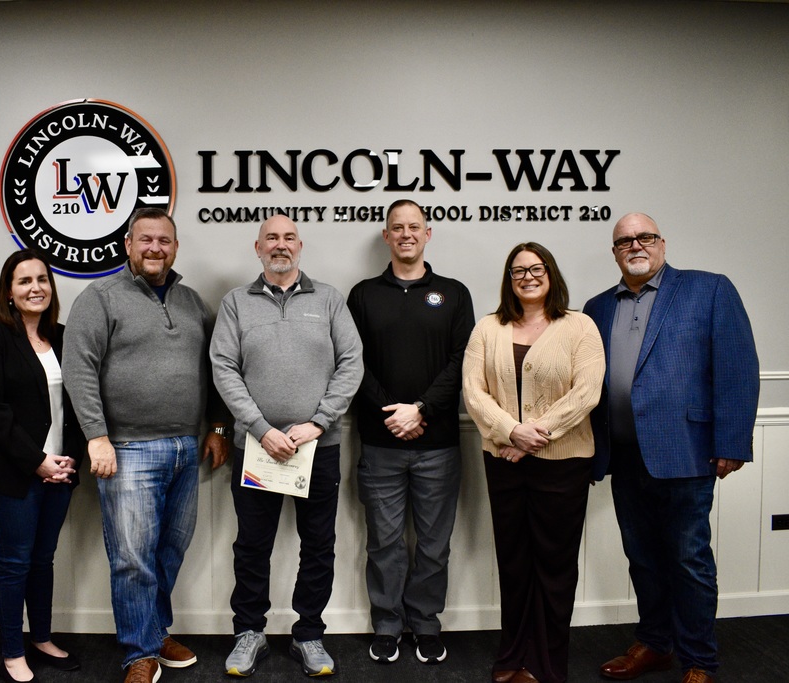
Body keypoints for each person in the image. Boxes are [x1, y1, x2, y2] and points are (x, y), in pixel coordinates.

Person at [583, 213, 759, 683]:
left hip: (687, 452)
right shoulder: (597, 306)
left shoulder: (708, 289)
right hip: (623, 456)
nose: (635, 245)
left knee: (689, 560)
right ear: (615, 251)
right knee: (641, 558)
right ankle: (655, 645)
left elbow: (738, 367)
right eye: (624, 240)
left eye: (644, 237)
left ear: (662, 242)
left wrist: (732, 441)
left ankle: (700, 660)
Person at [61, 208, 230, 683]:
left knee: (169, 551)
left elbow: (218, 368)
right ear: (128, 245)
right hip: (127, 450)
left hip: (185, 446)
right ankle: (139, 652)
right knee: (132, 557)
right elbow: (79, 371)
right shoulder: (100, 298)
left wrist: (218, 426)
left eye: (165, 241)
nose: (155, 248)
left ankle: (153, 632)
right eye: (146, 240)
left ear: (176, 248)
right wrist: (96, 436)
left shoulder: (193, 302)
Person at [210, 215, 363, 678]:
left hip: (318, 447)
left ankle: (309, 634)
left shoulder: (330, 300)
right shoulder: (236, 302)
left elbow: (351, 364)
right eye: (271, 238)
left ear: (301, 246)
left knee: (319, 545)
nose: (281, 245)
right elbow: (223, 367)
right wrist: (259, 427)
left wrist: (317, 422)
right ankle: (248, 632)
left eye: (289, 237)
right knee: (252, 545)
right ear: (257, 248)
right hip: (255, 448)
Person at [462, 242, 605, 683]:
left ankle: (546, 662)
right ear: (509, 279)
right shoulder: (488, 327)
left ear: (551, 273)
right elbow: (473, 391)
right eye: (518, 270)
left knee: (555, 566)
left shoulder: (580, 326)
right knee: (514, 561)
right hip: (504, 463)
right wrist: (510, 431)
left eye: (536, 268)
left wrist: (530, 437)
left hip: (562, 465)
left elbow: (587, 392)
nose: (527, 276)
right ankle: (512, 654)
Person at [347, 199, 474, 665]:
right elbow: (350, 362)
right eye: (397, 227)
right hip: (380, 443)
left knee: (434, 544)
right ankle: (386, 624)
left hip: (438, 444)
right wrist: (392, 412)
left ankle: (425, 624)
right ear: (386, 236)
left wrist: (420, 408)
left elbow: (463, 360)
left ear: (427, 233)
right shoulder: (362, 294)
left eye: (414, 227)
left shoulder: (454, 293)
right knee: (383, 541)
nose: (406, 234)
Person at [0, 250, 84, 683]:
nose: (35, 287)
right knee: (15, 561)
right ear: (9, 292)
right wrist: (37, 462)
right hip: (13, 472)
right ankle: (13, 650)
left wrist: (68, 459)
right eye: (23, 281)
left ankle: (41, 637)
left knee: (43, 559)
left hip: (62, 469)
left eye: (42, 279)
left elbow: (79, 403)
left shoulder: (64, 336)